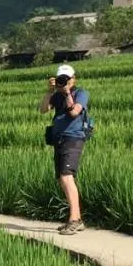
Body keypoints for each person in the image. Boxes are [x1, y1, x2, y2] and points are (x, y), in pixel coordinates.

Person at [40, 64, 90, 235]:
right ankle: (76, 218)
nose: (63, 81)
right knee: (62, 179)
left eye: (66, 79)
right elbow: (43, 109)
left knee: (67, 176)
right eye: (61, 78)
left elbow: (74, 112)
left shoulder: (81, 93)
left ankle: (74, 220)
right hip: (59, 139)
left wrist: (68, 92)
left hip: (74, 138)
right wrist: (49, 91)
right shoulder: (56, 95)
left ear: (73, 79)